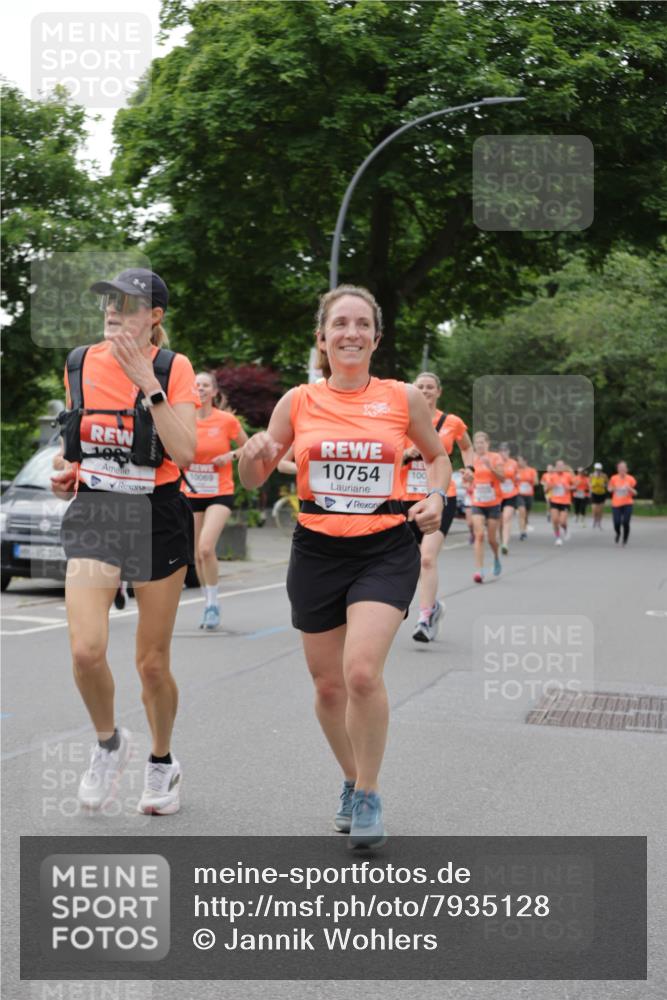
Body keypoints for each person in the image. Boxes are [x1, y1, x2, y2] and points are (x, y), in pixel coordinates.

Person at [239, 285, 449, 848]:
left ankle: (372, 792)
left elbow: (436, 455)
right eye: (340, 324)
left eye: (362, 324)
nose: (350, 333)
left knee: (360, 672)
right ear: (323, 337)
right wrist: (253, 456)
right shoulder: (297, 402)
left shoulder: (402, 398)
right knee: (329, 686)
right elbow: (254, 478)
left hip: (385, 547)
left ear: (376, 339)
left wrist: (436, 496)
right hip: (316, 550)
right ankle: (351, 780)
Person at [50, 268, 199, 816]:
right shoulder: (79, 363)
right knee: (87, 650)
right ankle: (109, 742)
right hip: (98, 510)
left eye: (130, 304)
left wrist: (149, 386)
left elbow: (185, 453)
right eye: (110, 300)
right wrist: (66, 468)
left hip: (157, 514)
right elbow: (79, 440)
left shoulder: (173, 367)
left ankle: (162, 763)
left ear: (155, 316)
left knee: (152, 664)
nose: (115, 310)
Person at [401, 371, 472, 643]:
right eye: (420, 386)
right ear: (413, 390)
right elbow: (388, 455)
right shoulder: (400, 419)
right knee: (406, 560)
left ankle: (425, 617)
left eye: (430, 387)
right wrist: (407, 454)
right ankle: (428, 607)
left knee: (427, 557)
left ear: (438, 392)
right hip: (406, 497)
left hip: (440, 495)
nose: (425, 390)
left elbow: (466, 447)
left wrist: (471, 468)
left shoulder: (451, 422)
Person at [183, 373, 247, 629]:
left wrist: (230, 455)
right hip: (190, 492)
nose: (200, 389)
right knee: (197, 554)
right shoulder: (183, 420)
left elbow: (248, 446)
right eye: (196, 385)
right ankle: (208, 602)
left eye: (205, 385)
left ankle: (213, 604)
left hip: (219, 491)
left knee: (206, 548)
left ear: (214, 391)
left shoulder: (226, 421)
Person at [462, 432, 505, 583]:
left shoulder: (495, 457)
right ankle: (479, 570)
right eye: (477, 442)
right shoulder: (471, 459)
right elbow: (467, 481)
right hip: (478, 502)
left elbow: (503, 477)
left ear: (488, 443)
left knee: (492, 539)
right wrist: (466, 481)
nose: (479, 445)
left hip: (493, 503)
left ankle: (496, 556)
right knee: (479, 535)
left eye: (482, 442)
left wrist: (491, 467)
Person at [607, 461, 637, 545]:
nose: (622, 469)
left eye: (624, 468)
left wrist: (629, 489)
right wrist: (612, 488)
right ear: (618, 469)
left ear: (627, 469)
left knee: (625, 522)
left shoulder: (631, 479)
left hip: (628, 503)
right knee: (617, 522)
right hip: (616, 504)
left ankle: (625, 538)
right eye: (620, 468)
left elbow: (635, 492)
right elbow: (609, 489)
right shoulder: (614, 478)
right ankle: (618, 533)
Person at [498, 442, 519, 555]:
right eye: (502, 451)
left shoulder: (513, 463)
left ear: (509, 452)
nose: (503, 453)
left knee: (507, 518)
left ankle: (505, 544)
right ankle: (502, 541)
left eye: (506, 451)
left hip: (511, 494)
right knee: (500, 521)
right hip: (498, 495)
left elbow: (516, 478)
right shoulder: (496, 463)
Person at [548, 459, 575, 545]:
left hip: (565, 501)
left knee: (562, 522)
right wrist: (550, 486)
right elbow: (546, 489)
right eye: (558, 466)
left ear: (564, 467)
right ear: (555, 467)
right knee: (555, 520)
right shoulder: (552, 476)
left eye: (561, 466)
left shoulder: (568, 476)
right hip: (554, 500)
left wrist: (569, 488)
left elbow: (575, 486)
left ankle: (566, 529)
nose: (559, 467)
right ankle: (558, 537)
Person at [515, 455, 538, 540]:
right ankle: (522, 532)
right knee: (522, 512)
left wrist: (529, 480)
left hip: (529, 495)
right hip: (519, 494)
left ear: (525, 461)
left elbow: (536, 482)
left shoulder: (532, 470)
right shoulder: (516, 470)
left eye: (520, 460)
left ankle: (525, 526)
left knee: (526, 515)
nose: (518, 462)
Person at [590, 462, 608, 529]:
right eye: (596, 469)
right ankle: (594, 520)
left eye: (599, 469)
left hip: (602, 494)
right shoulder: (591, 475)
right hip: (594, 493)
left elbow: (607, 484)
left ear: (601, 469)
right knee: (594, 509)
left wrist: (604, 485)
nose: (598, 470)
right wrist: (592, 485)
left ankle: (599, 522)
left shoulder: (604, 476)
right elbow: (589, 484)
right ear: (594, 469)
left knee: (600, 510)